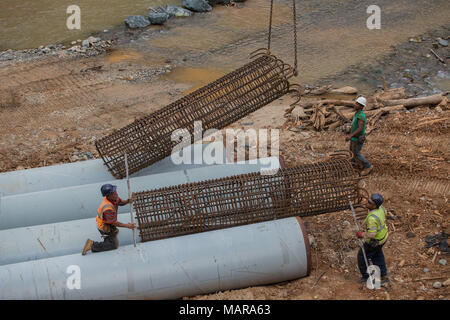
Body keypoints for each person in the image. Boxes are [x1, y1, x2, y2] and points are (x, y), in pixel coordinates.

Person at [82, 184, 135, 255]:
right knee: (113, 245)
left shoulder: (114, 198)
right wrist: (127, 226)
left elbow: (120, 202)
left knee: (113, 229)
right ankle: (91, 245)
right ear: (108, 195)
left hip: (108, 221)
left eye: (115, 191)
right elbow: (114, 223)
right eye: (113, 192)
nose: (116, 193)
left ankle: (113, 230)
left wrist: (128, 201)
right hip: (103, 225)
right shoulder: (107, 208)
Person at [356, 193, 389, 285]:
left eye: (369, 202)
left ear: (374, 205)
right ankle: (383, 274)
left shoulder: (372, 218)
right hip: (384, 237)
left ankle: (366, 276)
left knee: (362, 256)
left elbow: (372, 234)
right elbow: (385, 214)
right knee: (377, 254)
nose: (367, 202)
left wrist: (361, 234)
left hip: (375, 241)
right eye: (368, 200)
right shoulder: (381, 208)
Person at [346, 96, 373, 176]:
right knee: (352, 152)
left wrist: (351, 135)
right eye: (356, 103)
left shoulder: (361, 116)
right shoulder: (357, 113)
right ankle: (354, 165)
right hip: (354, 137)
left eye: (357, 104)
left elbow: (360, 128)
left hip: (357, 138)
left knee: (356, 153)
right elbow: (356, 126)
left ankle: (368, 166)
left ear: (361, 106)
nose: (355, 105)